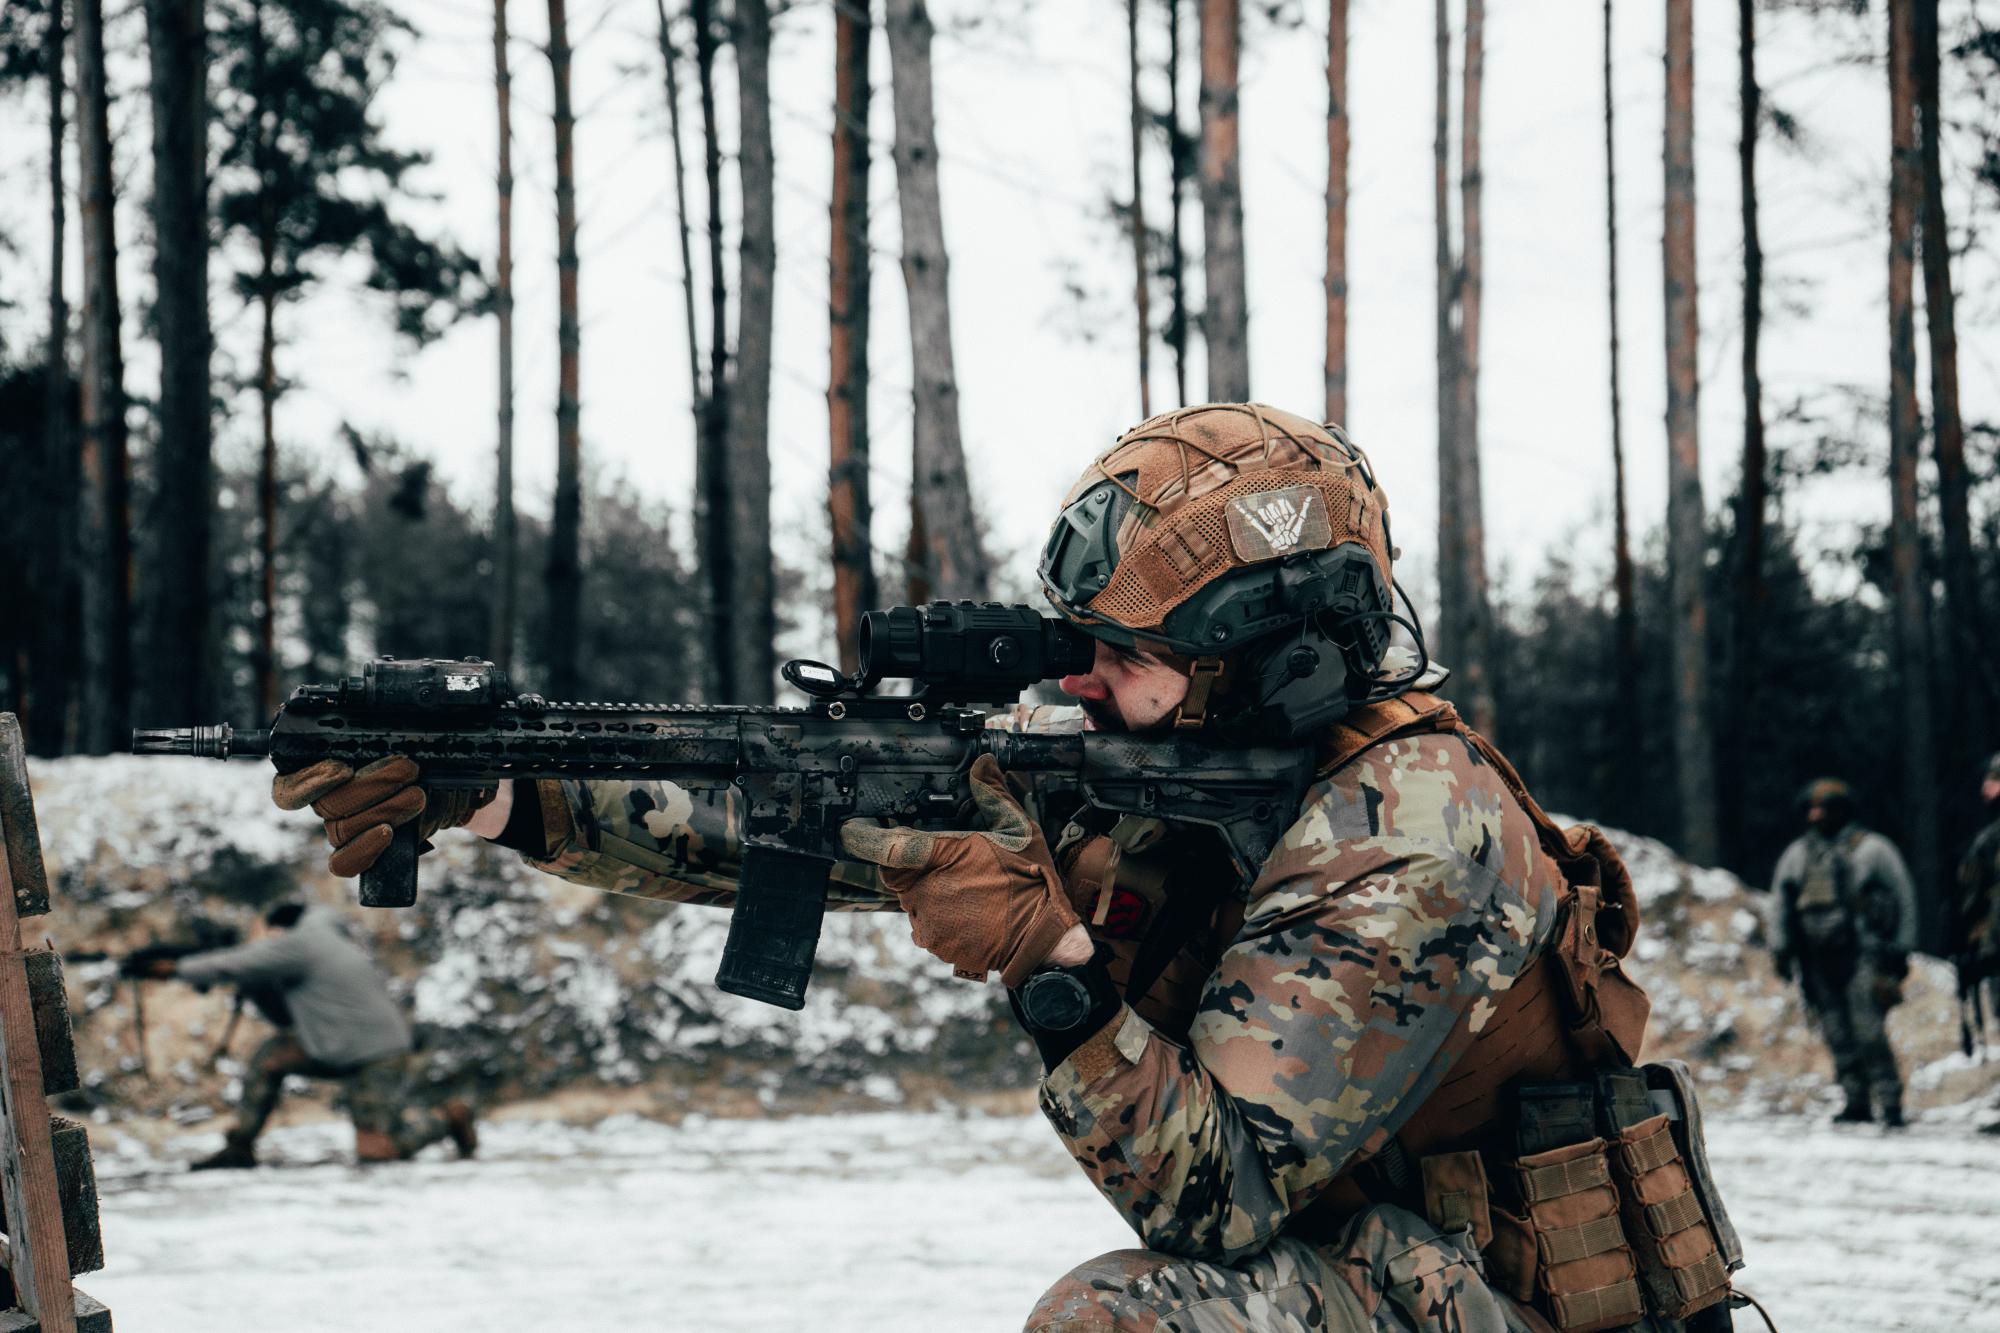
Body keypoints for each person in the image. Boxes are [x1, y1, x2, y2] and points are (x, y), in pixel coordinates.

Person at [273, 404, 1741, 1331]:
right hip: (1393, 1262)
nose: (1083, 682)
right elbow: (814, 825)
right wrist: (504, 798)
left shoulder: (1414, 832)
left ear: (1271, 665)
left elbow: (1213, 1201)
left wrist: (1050, 967)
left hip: (1528, 1304)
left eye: (1127, 657)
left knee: (1130, 1320)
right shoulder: (1181, 761)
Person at [146, 901, 477, 1169]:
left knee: (377, 1152)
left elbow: (237, 963)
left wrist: (175, 969)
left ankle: (446, 1118)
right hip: (338, 1044)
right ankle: (239, 1147)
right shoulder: (321, 939)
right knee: (272, 1056)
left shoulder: (302, 944)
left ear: (278, 931)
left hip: (378, 1055)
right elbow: (282, 1017)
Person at [1768, 777, 1918, 1128]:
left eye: (1823, 808)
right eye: (1811, 809)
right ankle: (1856, 1101)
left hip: (1864, 953)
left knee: (1869, 1032)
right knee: (1837, 1033)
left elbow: (1903, 896)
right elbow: (1781, 904)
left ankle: (1890, 1100)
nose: (1815, 816)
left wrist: (1901, 948)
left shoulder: (1873, 850)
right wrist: (1781, 950)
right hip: (1816, 959)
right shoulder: (1798, 855)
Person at [1952, 754, 2000, 1054]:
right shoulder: (1987, 841)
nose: (1985, 787)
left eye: (1993, 780)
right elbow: (1971, 900)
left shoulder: (1988, 841)